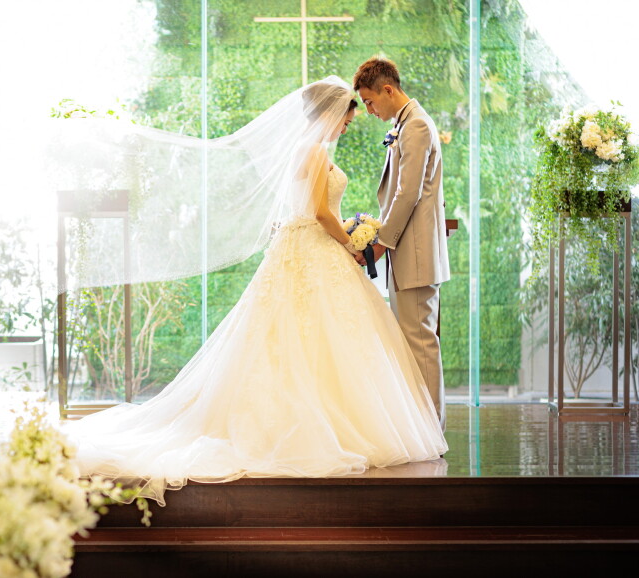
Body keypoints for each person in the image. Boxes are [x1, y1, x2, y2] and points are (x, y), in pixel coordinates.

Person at [64, 76, 448, 505]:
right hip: (315, 246)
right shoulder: (316, 151)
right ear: (331, 114)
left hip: (301, 246)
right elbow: (321, 212)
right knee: (317, 337)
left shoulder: (304, 150)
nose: (346, 127)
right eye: (346, 119)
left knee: (299, 339)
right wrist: (351, 242)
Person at [353, 57, 451, 430]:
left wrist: (378, 244)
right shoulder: (405, 124)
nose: (369, 110)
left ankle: (431, 428)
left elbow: (407, 194)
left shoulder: (417, 127)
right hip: (408, 250)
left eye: (370, 102)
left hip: (415, 253)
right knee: (412, 341)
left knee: (420, 342)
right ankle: (423, 425)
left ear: (388, 90)